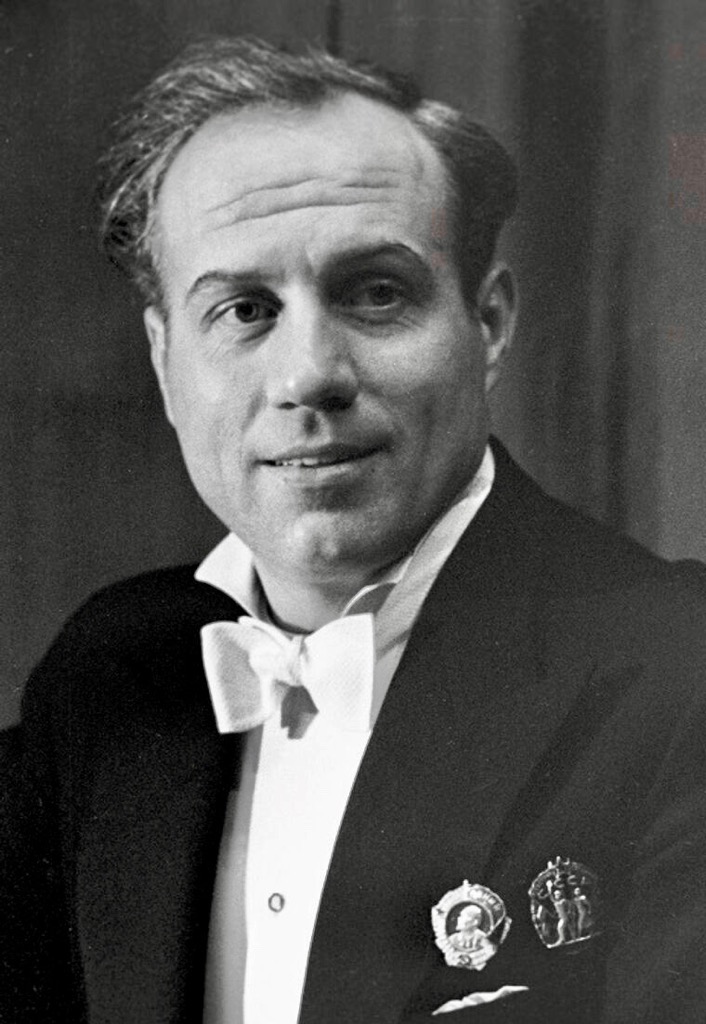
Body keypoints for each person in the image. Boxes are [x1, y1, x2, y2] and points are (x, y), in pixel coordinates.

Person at [3, 35, 706, 1024]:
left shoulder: (681, 673)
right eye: (244, 310)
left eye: (376, 293)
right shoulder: (104, 678)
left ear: (488, 323)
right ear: (165, 361)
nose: (308, 376)